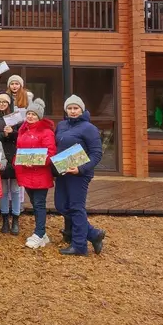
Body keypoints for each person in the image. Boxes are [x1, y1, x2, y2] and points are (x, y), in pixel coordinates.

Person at [55, 95, 106, 256]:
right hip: (63, 171)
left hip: (78, 174)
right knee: (61, 205)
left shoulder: (88, 128)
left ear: (82, 110)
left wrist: (81, 169)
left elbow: (96, 153)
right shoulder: (62, 125)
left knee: (76, 207)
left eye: (76, 108)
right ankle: (93, 233)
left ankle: (79, 246)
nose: (73, 111)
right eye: (69, 108)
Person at [15, 98, 56, 249]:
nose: (30, 116)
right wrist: (18, 161)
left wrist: (38, 161)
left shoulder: (46, 132)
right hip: (26, 172)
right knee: (34, 202)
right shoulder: (22, 130)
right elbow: (19, 150)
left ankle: (39, 233)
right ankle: (42, 233)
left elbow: (50, 153)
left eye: (34, 114)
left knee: (39, 204)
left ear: (39, 116)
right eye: (29, 113)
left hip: (40, 174)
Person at [0, 92, 22, 235]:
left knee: (16, 190)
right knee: (4, 191)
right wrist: (4, 134)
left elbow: (21, 135)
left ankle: (16, 219)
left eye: (4, 102)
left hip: (15, 156)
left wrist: (12, 133)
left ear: (9, 103)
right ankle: (5, 219)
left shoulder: (16, 117)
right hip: (1, 155)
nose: (2, 104)